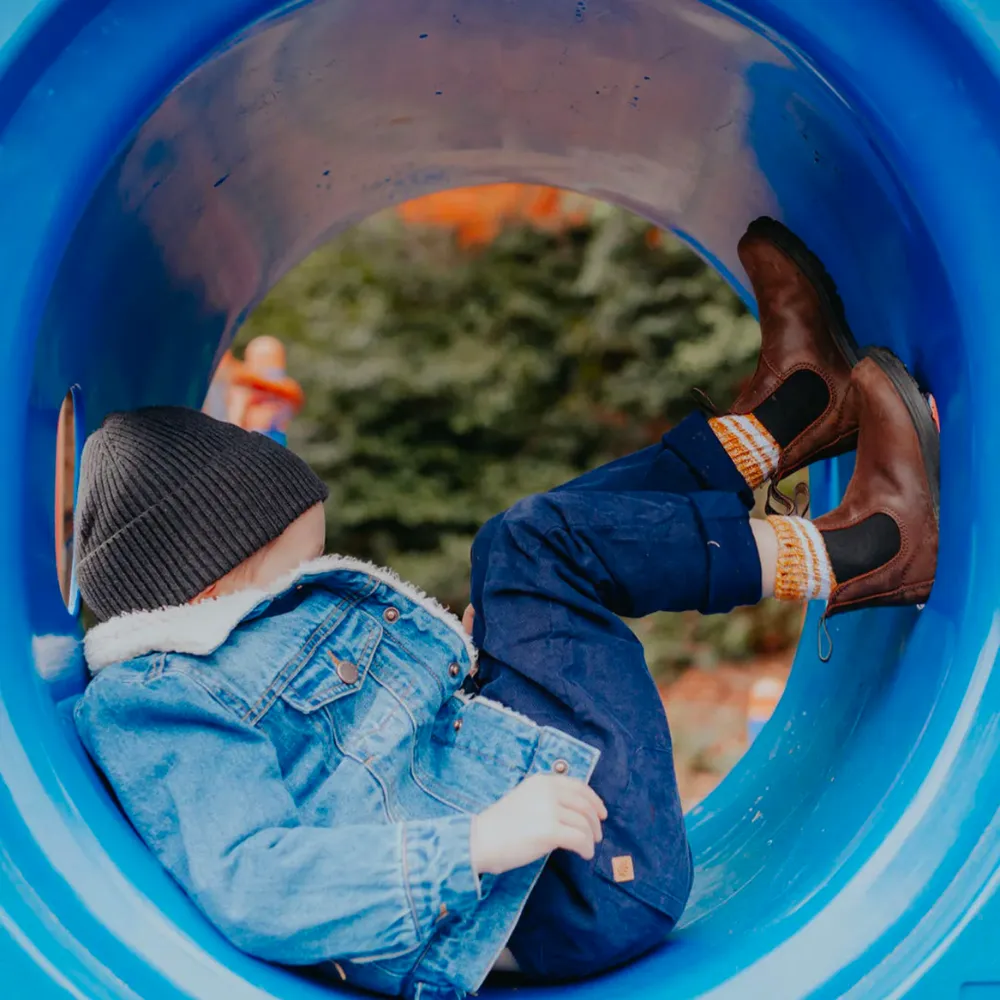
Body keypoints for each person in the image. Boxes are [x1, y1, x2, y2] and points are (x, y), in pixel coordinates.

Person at [73, 218, 938, 1000]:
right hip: (577, 889)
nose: (304, 582)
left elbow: (365, 760)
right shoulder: (156, 702)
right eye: (288, 570)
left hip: (542, 830)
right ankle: (867, 548)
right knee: (532, 547)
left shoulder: (217, 644)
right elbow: (257, 879)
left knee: (512, 549)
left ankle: (794, 411)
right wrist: (477, 843)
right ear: (212, 582)